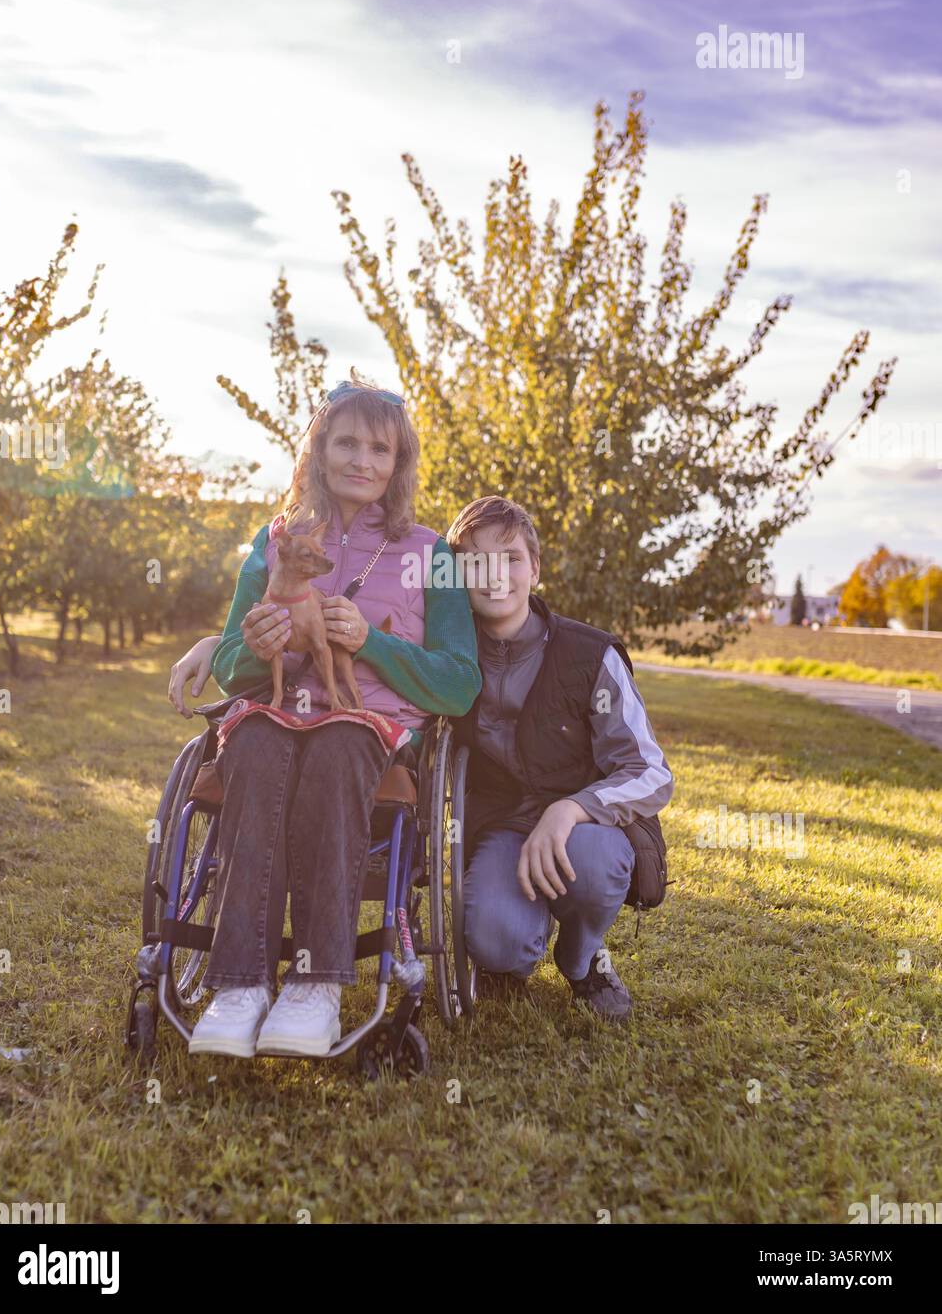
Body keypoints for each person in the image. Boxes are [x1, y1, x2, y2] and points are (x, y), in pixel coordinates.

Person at [170, 373, 480, 1059]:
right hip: (277, 717)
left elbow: (460, 685)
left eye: (381, 449)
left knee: (339, 745)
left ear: (399, 464)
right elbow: (230, 663)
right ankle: (241, 985)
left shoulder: (437, 555)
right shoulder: (276, 538)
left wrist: (373, 642)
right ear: (319, 449)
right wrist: (252, 650)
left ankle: (316, 985)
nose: (363, 460)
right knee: (252, 742)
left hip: (368, 731)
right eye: (347, 443)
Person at [445, 496, 674, 1022]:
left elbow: (651, 772)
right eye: (475, 561)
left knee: (594, 863)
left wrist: (570, 809)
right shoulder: (450, 658)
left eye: (511, 559)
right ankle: (515, 939)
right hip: (500, 826)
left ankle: (581, 957)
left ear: (536, 568)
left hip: (583, 828)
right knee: (499, 944)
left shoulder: (589, 655)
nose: (494, 575)